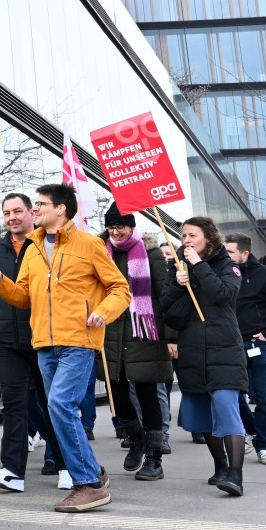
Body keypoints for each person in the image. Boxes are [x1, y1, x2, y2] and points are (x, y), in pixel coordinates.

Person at [0, 183, 129, 513]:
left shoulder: (89, 244)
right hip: (44, 344)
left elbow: (120, 289)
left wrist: (102, 312)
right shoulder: (34, 248)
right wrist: (0, 281)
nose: (35, 209)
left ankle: (88, 485)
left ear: (61, 209)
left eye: (40, 204)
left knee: (61, 405)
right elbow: (23, 296)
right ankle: (94, 473)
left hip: (78, 340)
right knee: (59, 409)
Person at [159, 217, 248, 496]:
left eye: (192, 235)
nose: (186, 240)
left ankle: (236, 474)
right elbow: (163, 307)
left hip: (224, 348)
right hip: (193, 350)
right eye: (183, 235)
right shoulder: (178, 266)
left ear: (208, 237)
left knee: (225, 406)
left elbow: (224, 293)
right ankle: (220, 466)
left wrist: (198, 266)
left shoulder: (226, 265)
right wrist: (177, 282)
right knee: (203, 414)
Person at [0, 193, 59, 493]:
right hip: (7, 341)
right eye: (6, 212)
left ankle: (65, 464)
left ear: (31, 212)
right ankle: (12, 471)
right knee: (14, 406)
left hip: (41, 338)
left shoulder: (44, 245)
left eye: (17, 211)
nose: (12, 217)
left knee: (53, 404)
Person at [95, 205, 171, 481]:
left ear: (131, 226)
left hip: (144, 331)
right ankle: (136, 438)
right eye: (112, 226)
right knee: (117, 394)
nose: (115, 231)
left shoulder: (150, 254)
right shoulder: (100, 252)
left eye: (121, 226)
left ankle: (154, 457)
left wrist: (171, 337)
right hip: (111, 332)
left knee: (148, 394)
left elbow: (165, 296)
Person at [224, 233, 266, 466]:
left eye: (230, 251)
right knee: (232, 395)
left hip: (261, 345)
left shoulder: (265, 275)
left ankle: (264, 445)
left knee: (264, 396)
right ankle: (252, 430)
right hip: (232, 344)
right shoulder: (222, 273)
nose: (226, 255)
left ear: (244, 253)